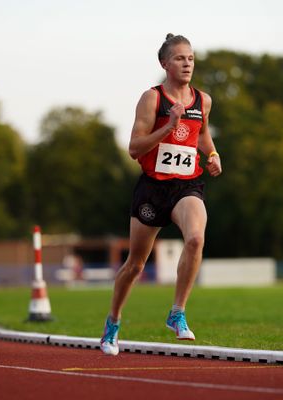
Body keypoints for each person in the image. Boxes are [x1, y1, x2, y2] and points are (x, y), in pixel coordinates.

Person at [100, 33, 222, 355]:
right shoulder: (152, 99)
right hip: (153, 188)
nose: (187, 64)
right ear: (164, 63)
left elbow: (203, 137)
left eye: (191, 58)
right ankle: (113, 321)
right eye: (180, 58)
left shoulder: (203, 100)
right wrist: (168, 126)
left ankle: (177, 312)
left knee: (196, 238)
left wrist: (212, 156)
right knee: (136, 265)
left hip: (187, 185)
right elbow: (133, 148)